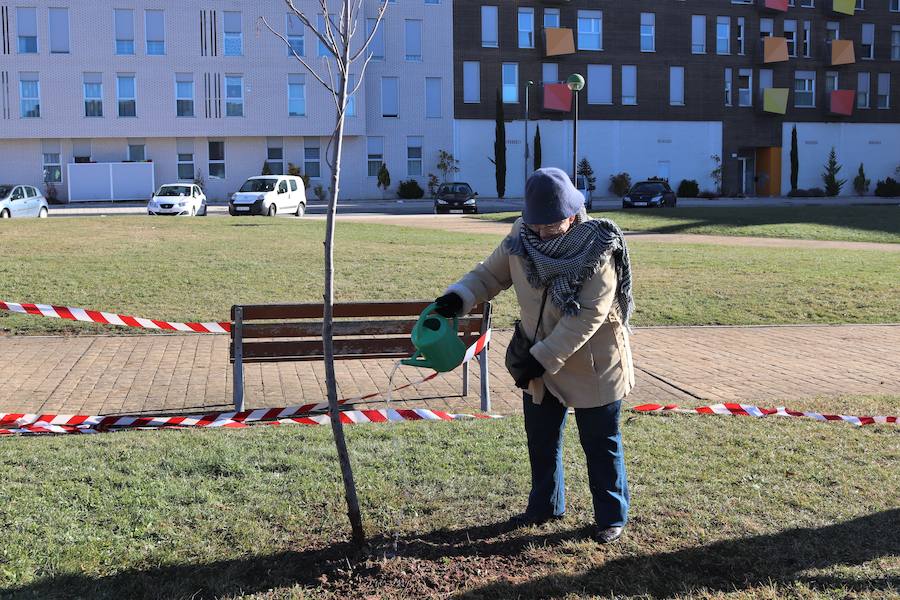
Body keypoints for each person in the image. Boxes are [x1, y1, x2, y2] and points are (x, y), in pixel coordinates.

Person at [434, 167, 635, 544]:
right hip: (539, 361)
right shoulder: (520, 237)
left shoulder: (599, 247)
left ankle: (611, 515)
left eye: (553, 223)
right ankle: (545, 505)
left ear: (574, 213)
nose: (543, 231)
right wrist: (457, 297)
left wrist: (541, 356)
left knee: (601, 443)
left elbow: (589, 315)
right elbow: (489, 275)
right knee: (541, 440)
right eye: (537, 223)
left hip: (594, 363)